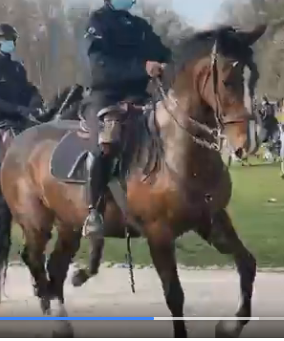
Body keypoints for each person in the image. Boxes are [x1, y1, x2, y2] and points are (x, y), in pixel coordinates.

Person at [81, 0, 171, 239]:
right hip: (106, 97)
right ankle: (93, 212)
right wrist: (143, 68)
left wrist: (172, 63)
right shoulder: (98, 22)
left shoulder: (140, 26)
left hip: (140, 97)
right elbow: (100, 67)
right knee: (105, 144)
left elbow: (164, 53)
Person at [0, 23, 43, 199]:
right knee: (1, 157)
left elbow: (29, 90)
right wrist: (17, 108)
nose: (10, 43)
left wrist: (36, 101)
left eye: (12, 40)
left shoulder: (17, 68)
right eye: (6, 40)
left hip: (18, 119)